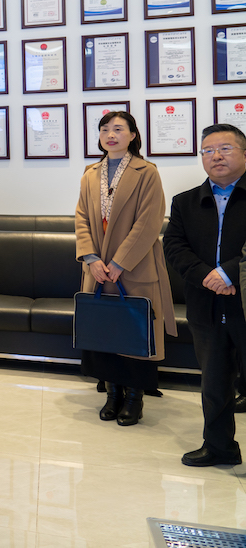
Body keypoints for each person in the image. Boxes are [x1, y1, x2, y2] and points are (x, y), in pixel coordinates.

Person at [75, 111, 177, 426]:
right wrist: (90, 258)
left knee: (135, 332)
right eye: (105, 129)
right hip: (98, 268)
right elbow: (81, 217)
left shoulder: (147, 172)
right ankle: (112, 395)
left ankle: (134, 398)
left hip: (135, 265)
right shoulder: (90, 173)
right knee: (105, 332)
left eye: (118, 129)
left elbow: (150, 220)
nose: (111, 134)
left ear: (132, 135)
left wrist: (120, 262)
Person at [164, 124, 246, 466]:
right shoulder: (185, 202)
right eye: (208, 150)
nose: (216, 156)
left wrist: (228, 273)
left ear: (244, 153)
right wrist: (207, 277)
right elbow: (173, 246)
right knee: (214, 382)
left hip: (244, 301)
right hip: (204, 302)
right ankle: (219, 447)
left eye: (225, 148)